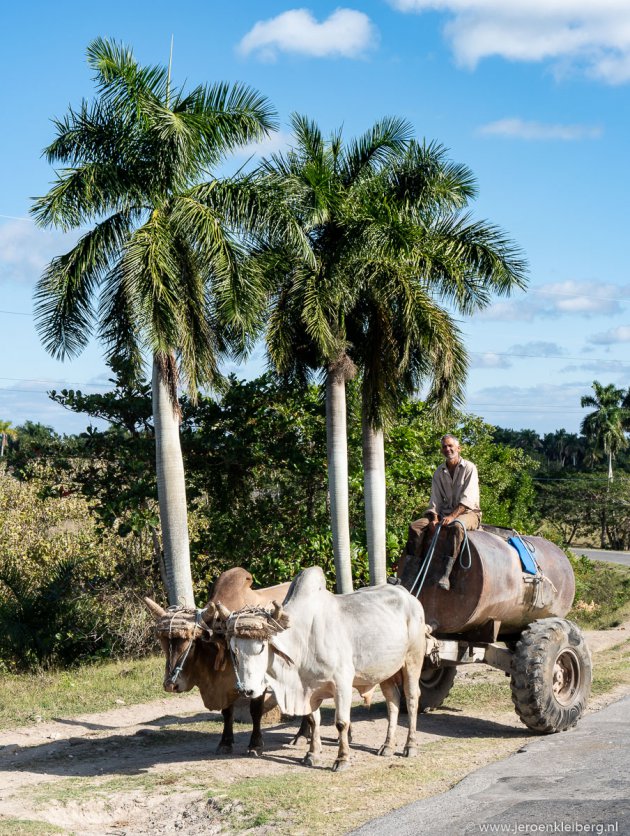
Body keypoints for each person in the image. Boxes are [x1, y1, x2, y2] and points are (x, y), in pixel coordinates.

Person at [401, 434, 481, 591]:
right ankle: (411, 572)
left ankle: (445, 573)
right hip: (444, 514)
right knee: (415, 526)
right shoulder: (439, 472)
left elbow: (468, 499)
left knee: (457, 526)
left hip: (469, 513)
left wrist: (452, 517)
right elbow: (435, 500)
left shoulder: (470, 468)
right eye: (444, 446)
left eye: (450, 446)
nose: (447, 449)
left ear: (459, 448)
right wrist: (434, 518)